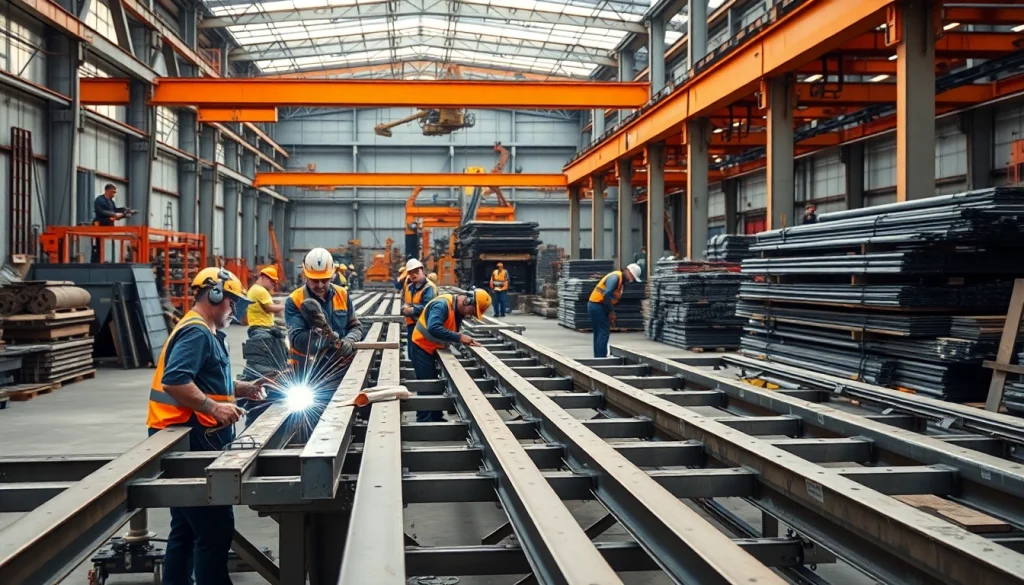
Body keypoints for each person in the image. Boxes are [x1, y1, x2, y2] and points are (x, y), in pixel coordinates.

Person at [146, 267, 266, 585]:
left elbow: (206, 381)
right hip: (189, 439)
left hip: (181, 437)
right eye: (232, 302)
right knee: (215, 531)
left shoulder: (205, 330)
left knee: (186, 530)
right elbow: (175, 381)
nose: (234, 310)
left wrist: (243, 389)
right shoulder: (197, 332)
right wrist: (213, 408)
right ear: (214, 296)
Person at [285, 248, 364, 394]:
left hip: (339, 368)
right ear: (305, 275)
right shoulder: (295, 300)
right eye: (315, 280)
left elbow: (355, 326)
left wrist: (349, 340)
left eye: (325, 280)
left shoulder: (342, 294)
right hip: (307, 372)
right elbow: (297, 340)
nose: (320, 285)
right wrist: (324, 338)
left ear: (333, 275)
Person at [410, 289, 491, 422]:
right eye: (472, 311)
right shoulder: (442, 305)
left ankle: (436, 418)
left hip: (434, 348)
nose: (470, 315)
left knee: (435, 386)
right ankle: (424, 421)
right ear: (467, 301)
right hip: (421, 346)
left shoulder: (456, 311)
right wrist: (460, 337)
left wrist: (464, 344)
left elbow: (451, 331)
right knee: (427, 386)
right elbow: (434, 328)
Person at [240, 266, 287, 424]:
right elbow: (269, 308)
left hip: (261, 331)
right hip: (262, 333)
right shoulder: (260, 290)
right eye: (272, 282)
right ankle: (249, 400)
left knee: (265, 367)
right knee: (263, 369)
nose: (273, 285)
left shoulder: (254, 290)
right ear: (264, 277)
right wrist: (288, 305)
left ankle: (249, 399)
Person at [587, 263, 642, 358]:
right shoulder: (615, 277)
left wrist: (611, 312)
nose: (631, 280)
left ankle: (598, 358)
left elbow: (612, 298)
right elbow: (606, 295)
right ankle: (601, 358)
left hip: (596, 305)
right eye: (631, 276)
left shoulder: (620, 282)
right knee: (603, 332)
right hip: (597, 305)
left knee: (599, 333)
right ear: (627, 271)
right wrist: (611, 312)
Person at [402, 258, 437, 356]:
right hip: (411, 325)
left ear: (422, 270)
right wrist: (404, 308)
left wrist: (412, 310)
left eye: (416, 272)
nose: (414, 275)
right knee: (412, 354)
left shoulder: (429, 288)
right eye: (410, 273)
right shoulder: (409, 287)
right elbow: (407, 302)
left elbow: (428, 307)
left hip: (424, 327)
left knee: (421, 355)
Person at [91, 183, 132, 262]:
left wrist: (124, 210)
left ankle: (106, 261)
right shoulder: (99, 200)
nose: (113, 194)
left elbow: (115, 210)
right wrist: (113, 214)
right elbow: (100, 211)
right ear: (107, 191)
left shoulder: (111, 202)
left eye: (114, 192)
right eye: (112, 192)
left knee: (108, 243)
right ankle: (96, 262)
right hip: (99, 225)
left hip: (109, 225)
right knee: (96, 246)